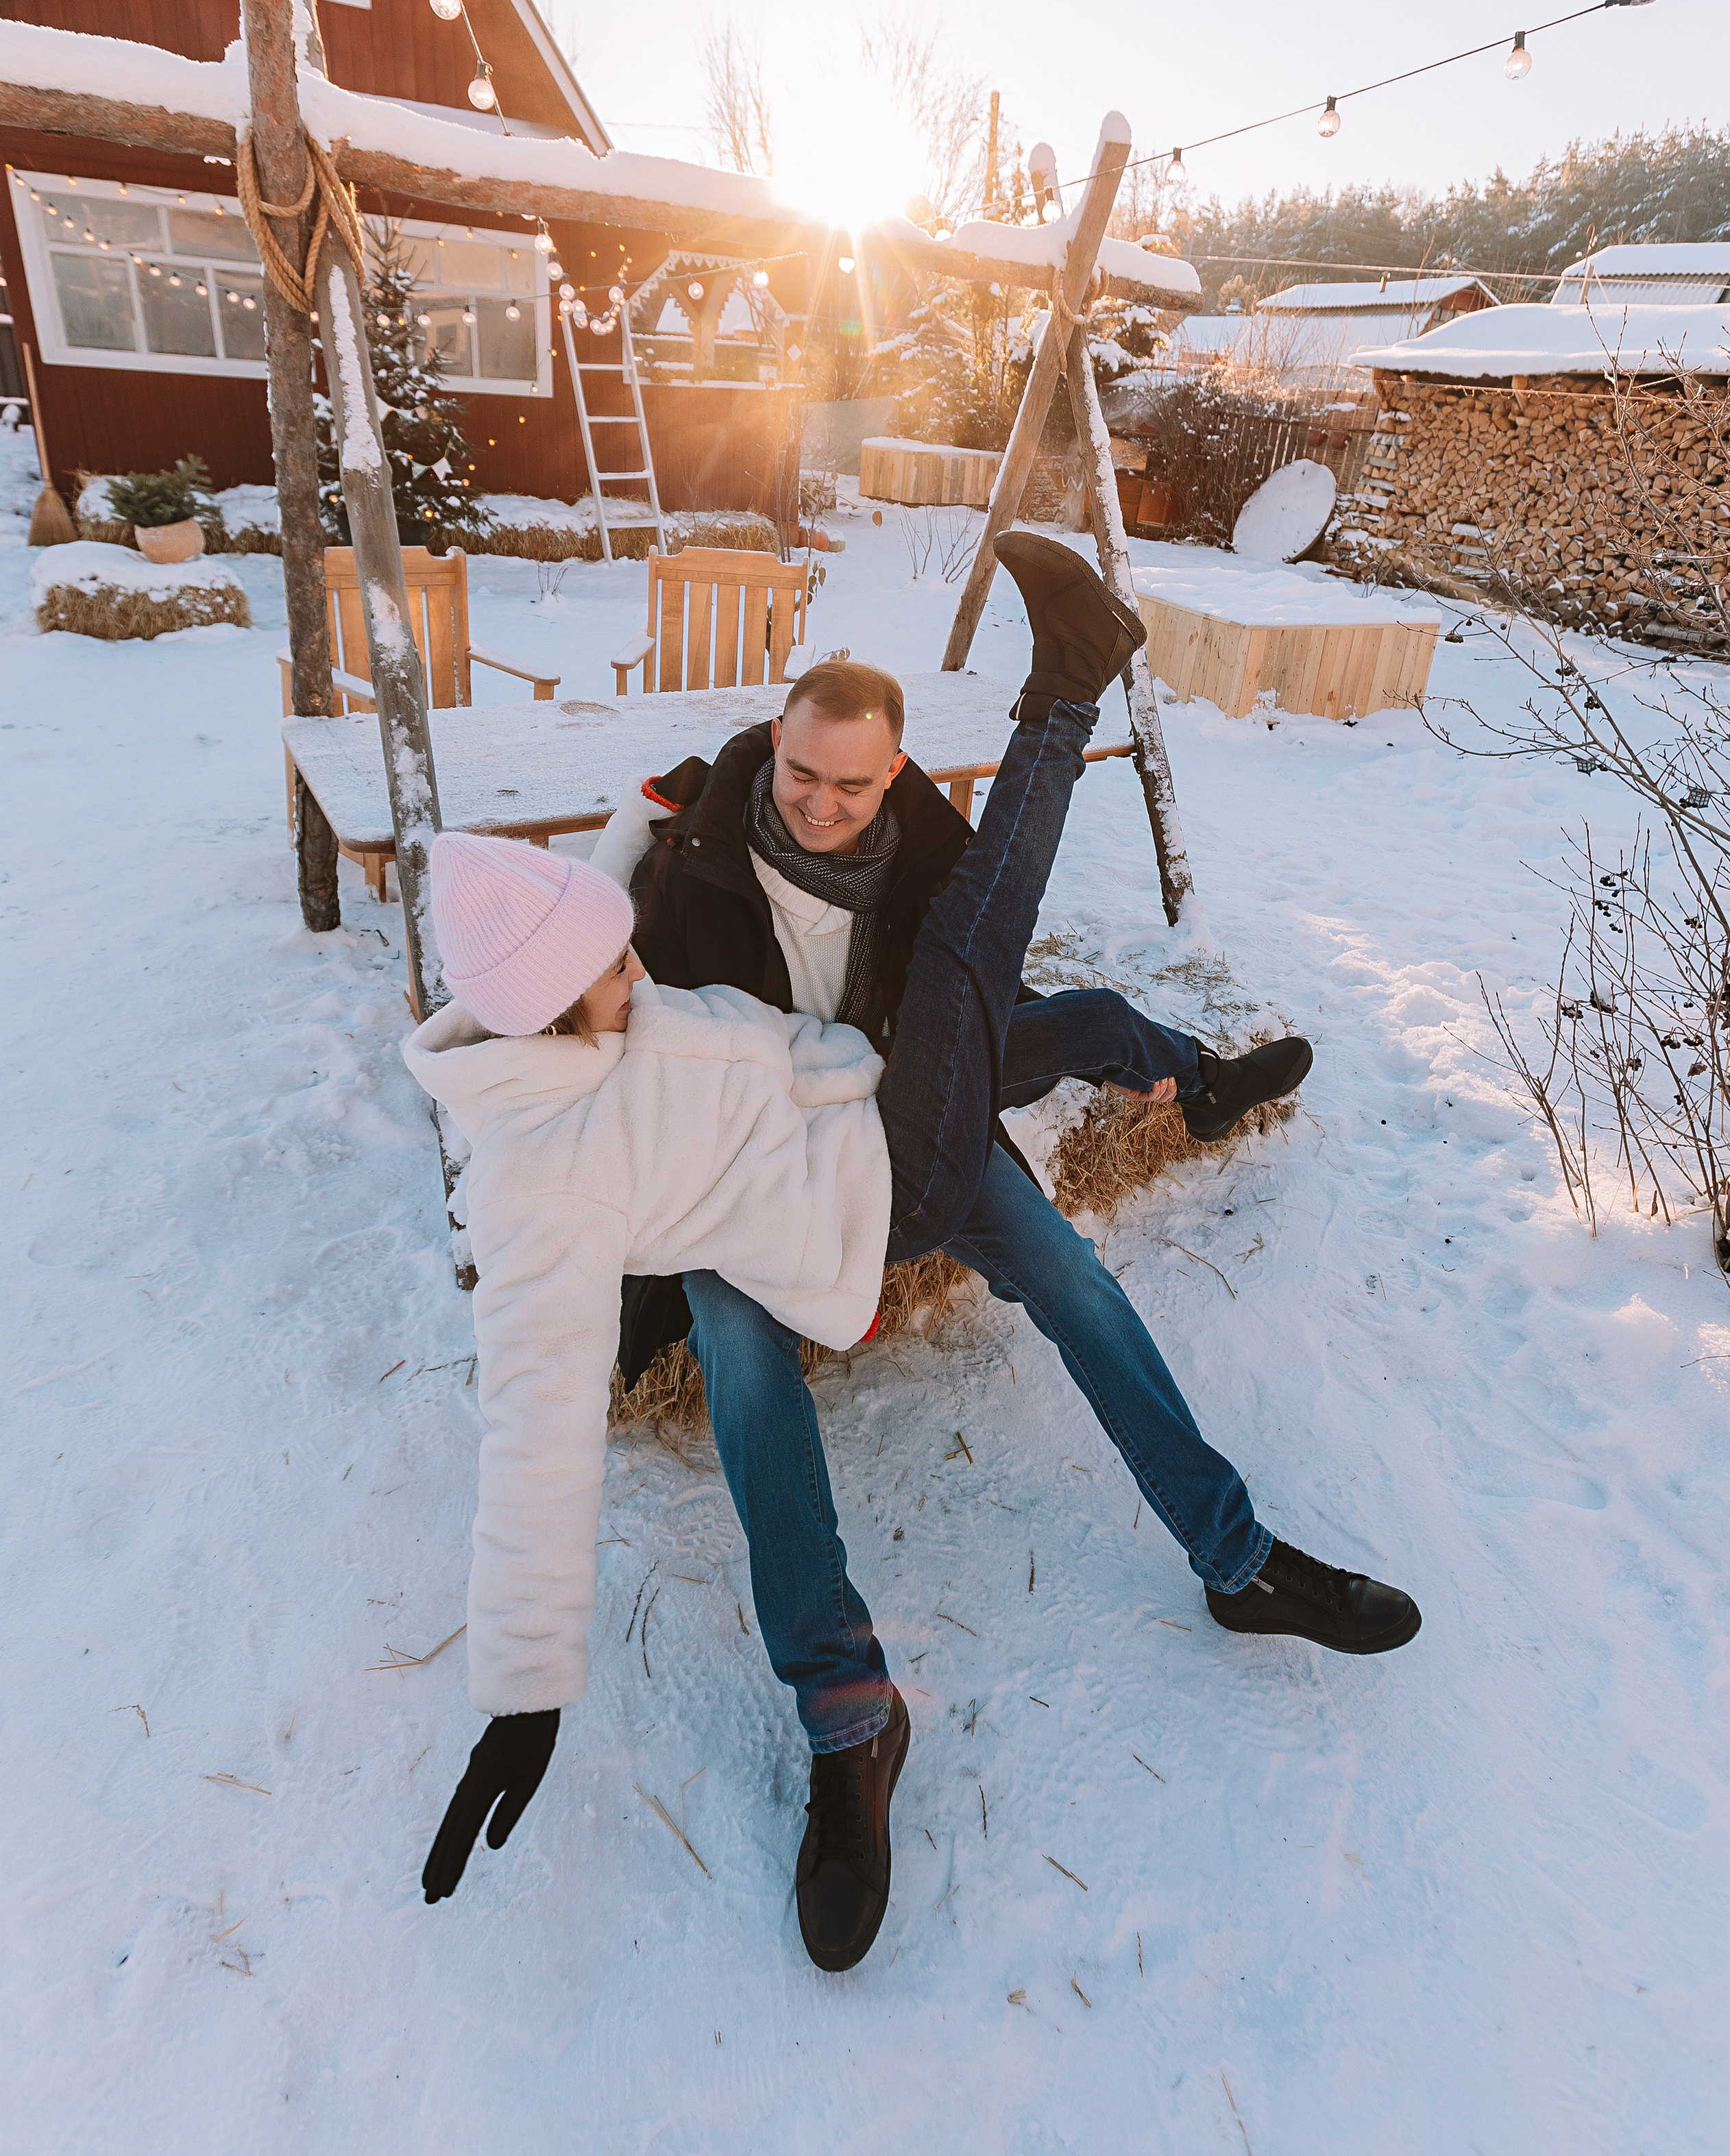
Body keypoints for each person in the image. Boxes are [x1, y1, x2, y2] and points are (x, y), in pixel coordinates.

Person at [406, 537, 1420, 1969]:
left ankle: (1234, 1557)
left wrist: (901, 1075)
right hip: (764, 1223)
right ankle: (845, 1713)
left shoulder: (674, 980)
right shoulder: (626, 1012)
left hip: (879, 1128)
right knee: (751, 1377)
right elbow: (530, 1429)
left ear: (893, 780)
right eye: (795, 779)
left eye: (851, 785)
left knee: (1064, 1255)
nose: (816, 806)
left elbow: (765, 1032)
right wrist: (522, 1688)